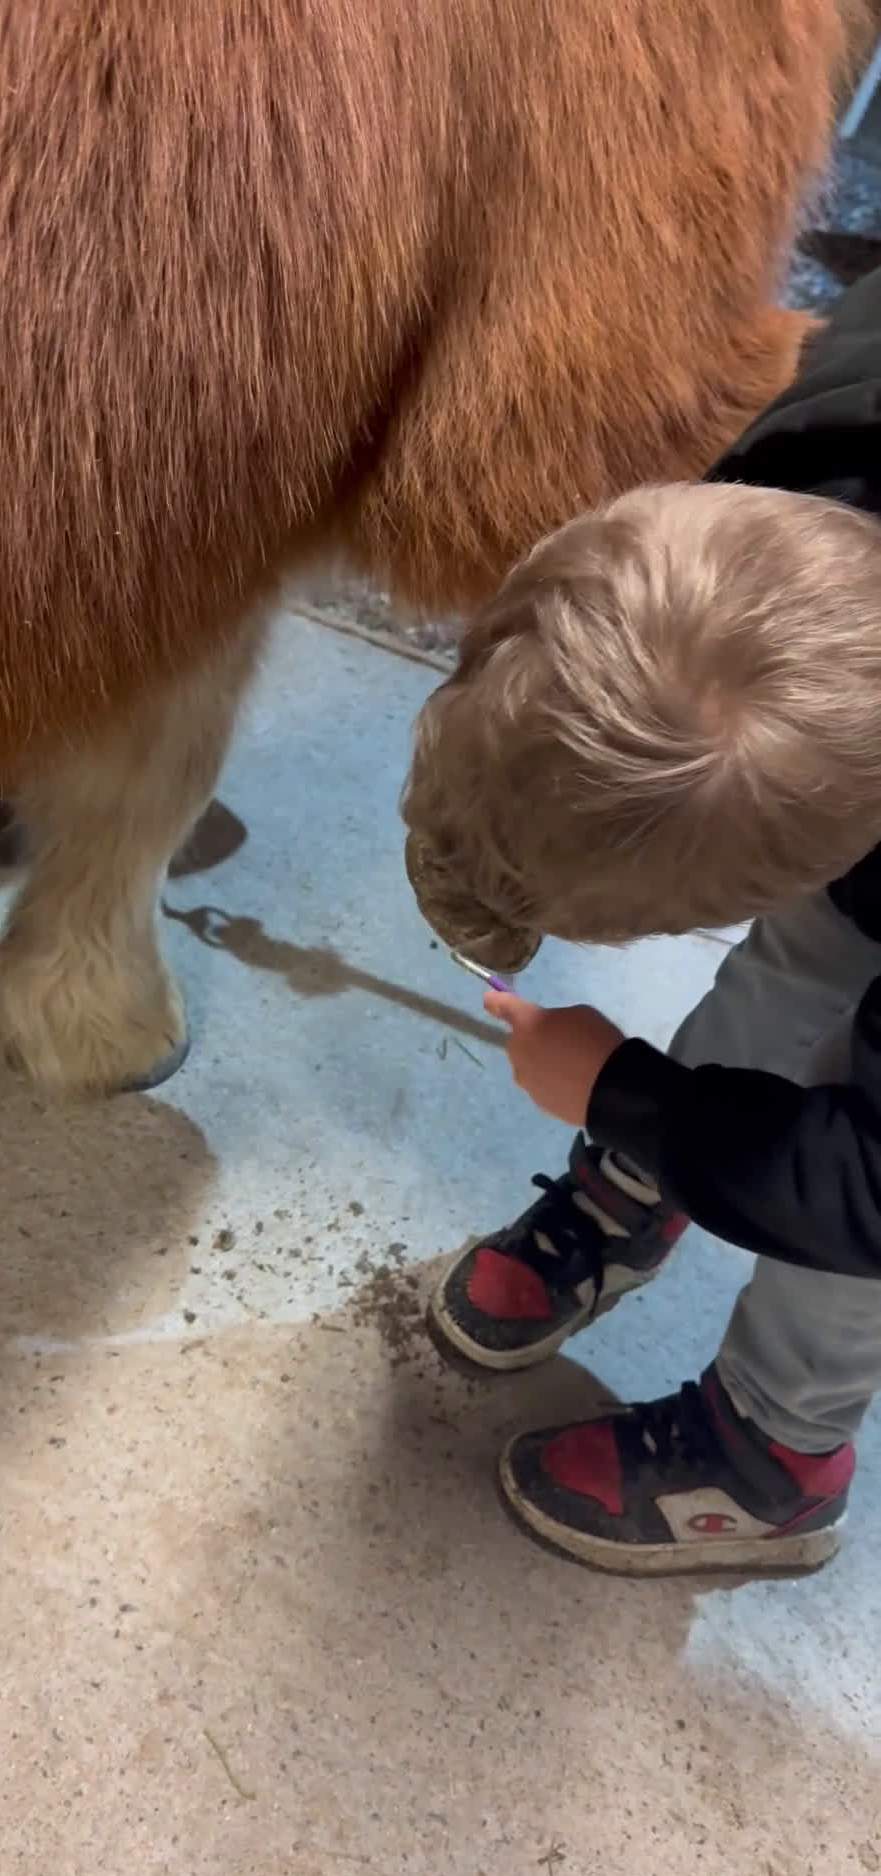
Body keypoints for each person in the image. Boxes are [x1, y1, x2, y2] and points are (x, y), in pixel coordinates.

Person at [403, 266, 881, 1575]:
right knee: (812, 956)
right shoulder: (802, 443)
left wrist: (630, 1094)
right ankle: (663, 1178)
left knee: (848, 1194)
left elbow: (873, 1186)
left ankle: (775, 1457)